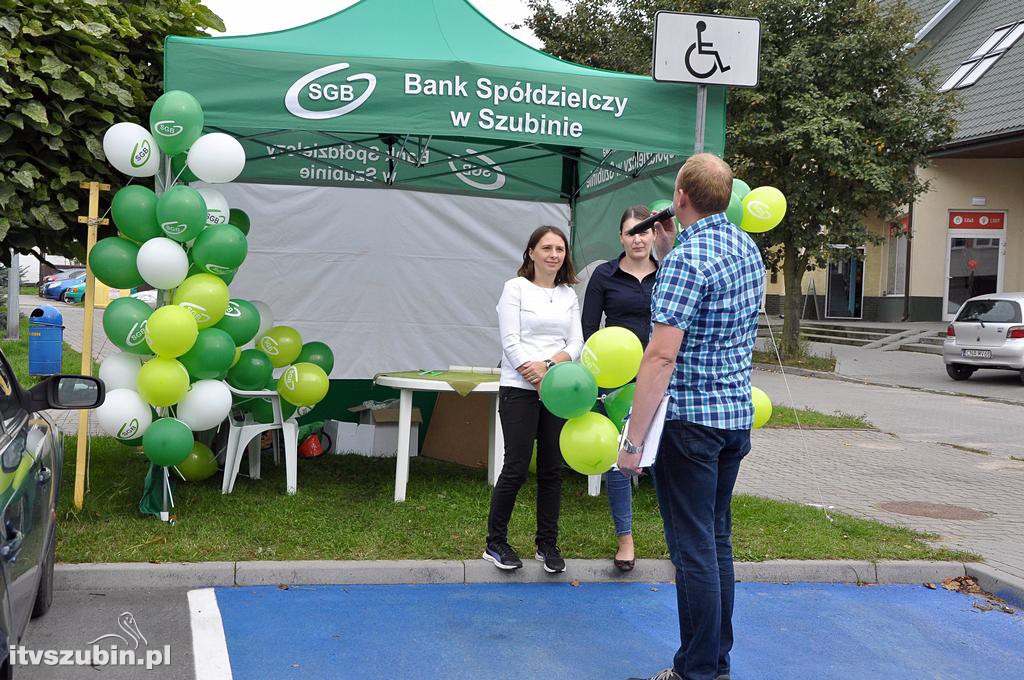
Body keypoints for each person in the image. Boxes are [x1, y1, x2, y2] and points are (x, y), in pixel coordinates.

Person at [620, 154, 765, 680]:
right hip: (732, 418)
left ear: (680, 196)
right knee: (715, 539)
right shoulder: (746, 248)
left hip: (689, 424)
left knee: (694, 549)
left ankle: (697, 670)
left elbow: (660, 357)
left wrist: (632, 443)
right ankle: (713, 662)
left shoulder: (687, 260)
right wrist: (668, 248)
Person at [485, 225, 583, 574]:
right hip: (518, 390)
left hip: (558, 391)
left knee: (552, 469)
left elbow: (576, 344)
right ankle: (495, 542)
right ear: (531, 253)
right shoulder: (515, 289)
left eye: (559, 249)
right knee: (515, 465)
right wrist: (536, 376)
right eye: (546, 248)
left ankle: (547, 545)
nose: (554, 254)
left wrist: (550, 369)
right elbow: (510, 341)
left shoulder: (569, 295)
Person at [581, 205, 658, 571]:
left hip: (662, 375)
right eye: (631, 232)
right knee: (619, 460)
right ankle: (625, 539)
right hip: (617, 381)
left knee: (672, 459)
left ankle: (681, 537)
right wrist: (596, 382)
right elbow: (587, 330)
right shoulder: (604, 275)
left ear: (655, 234)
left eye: (644, 231)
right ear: (621, 237)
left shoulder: (670, 273)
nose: (638, 238)